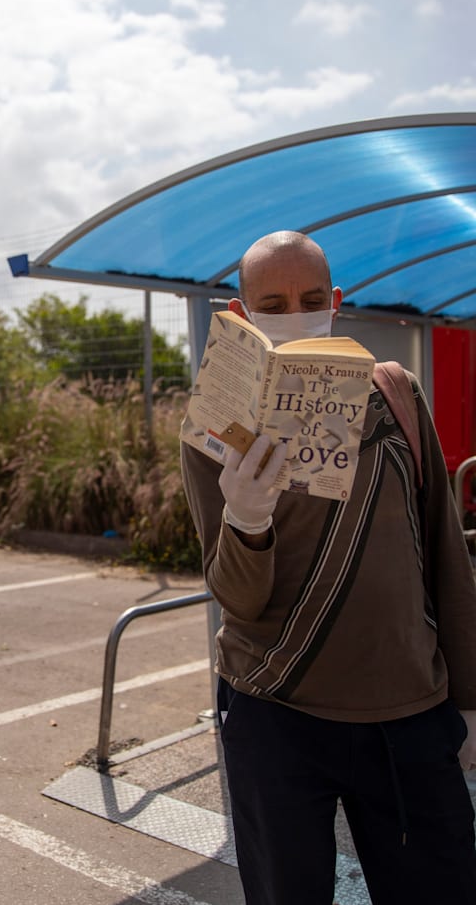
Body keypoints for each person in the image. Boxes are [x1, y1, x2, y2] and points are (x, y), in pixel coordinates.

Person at [180, 230, 476, 904]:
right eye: (274, 303)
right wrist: (245, 517)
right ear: (239, 314)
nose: (297, 312)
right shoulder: (213, 425)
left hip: (408, 707)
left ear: (337, 302)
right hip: (274, 706)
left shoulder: (396, 392)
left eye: (312, 299)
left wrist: (470, 696)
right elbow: (235, 597)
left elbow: (445, 549)